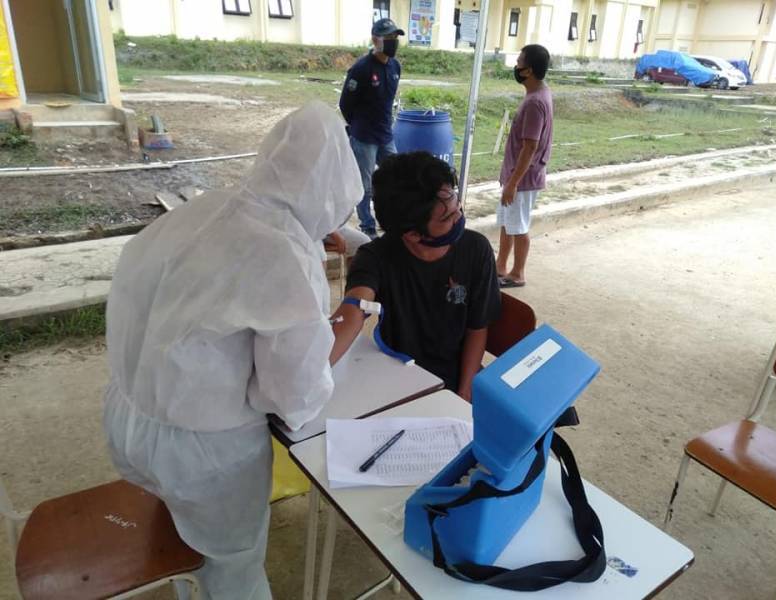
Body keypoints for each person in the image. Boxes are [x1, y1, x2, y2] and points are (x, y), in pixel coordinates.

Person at [102, 101, 362, 600]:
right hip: (204, 453)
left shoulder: (206, 206)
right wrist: (351, 310)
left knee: (181, 541)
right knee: (231, 567)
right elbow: (292, 394)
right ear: (336, 188)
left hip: (128, 417)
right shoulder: (285, 252)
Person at [329, 152, 501, 402]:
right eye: (447, 217)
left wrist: (464, 392)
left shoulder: (476, 249)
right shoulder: (375, 257)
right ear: (412, 234)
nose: (459, 217)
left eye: (457, 205)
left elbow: (478, 327)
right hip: (400, 376)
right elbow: (354, 309)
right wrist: (312, 373)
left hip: (457, 377)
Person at [339, 17, 404, 239]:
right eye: (388, 38)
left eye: (395, 37)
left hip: (386, 135)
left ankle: (392, 220)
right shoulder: (361, 69)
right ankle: (368, 226)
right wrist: (356, 126)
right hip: (365, 137)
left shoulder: (396, 67)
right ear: (375, 40)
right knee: (364, 186)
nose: (393, 41)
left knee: (396, 176)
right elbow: (345, 104)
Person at [496, 44, 554, 288]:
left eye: (519, 62)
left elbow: (530, 147)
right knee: (508, 222)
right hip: (517, 176)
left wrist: (512, 183)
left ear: (528, 70)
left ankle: (517, 273)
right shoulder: (539, 93)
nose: (516, 66)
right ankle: (500, 266)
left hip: (522, 178)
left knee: (518, 226)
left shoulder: (534, 103)